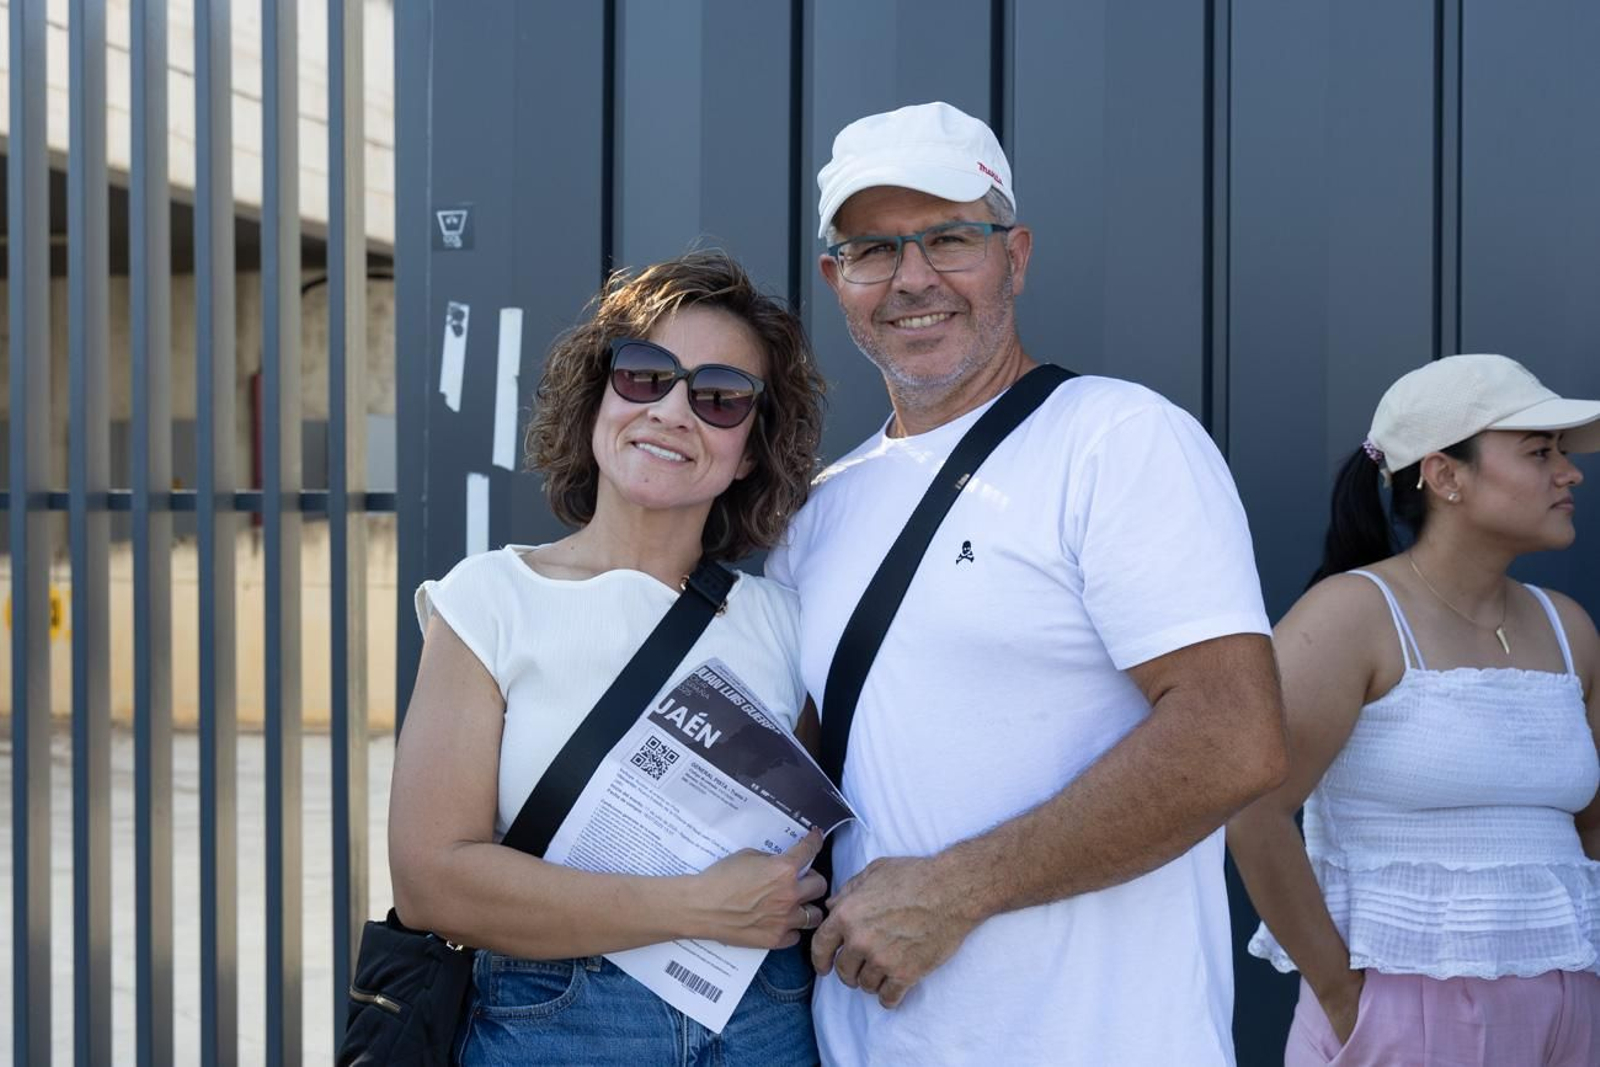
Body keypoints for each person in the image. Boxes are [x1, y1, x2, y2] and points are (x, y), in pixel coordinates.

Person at [766, 100, 1288, 1065]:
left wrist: (957, 890)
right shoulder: (818, 513)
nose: (913, 278)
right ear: (837, 281)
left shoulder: (1117, 440)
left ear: (1016, 255)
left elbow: (1233, 736)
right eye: (874, 250)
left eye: (951, 237)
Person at [388, 251, 832, 1066]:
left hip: (764, 1020)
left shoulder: (785, 622)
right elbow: (430, 880)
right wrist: (697, 906)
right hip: (555, 1023)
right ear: (598, 395)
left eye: (719, 396)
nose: (671, 410)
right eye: (644, 375)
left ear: (752, 446)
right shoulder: (489, 599)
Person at [1228, 353, 1600, 1065]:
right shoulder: (1352, 616)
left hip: (1569, 1010)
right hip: (1404, 1014)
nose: (1570, 472)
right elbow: (1252, 807)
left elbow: (1593, 824)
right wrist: (1345, 996)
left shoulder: (1569, 628)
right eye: (1539, 451)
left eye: (1562, 453)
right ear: (1445, 475)